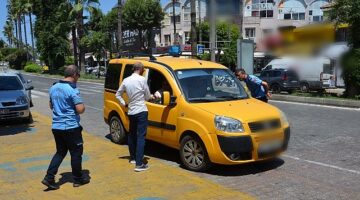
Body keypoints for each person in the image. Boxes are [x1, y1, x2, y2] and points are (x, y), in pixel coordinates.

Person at [42, 65, 89, 190]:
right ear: (74, 75)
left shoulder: (53, 87)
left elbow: (51, 106)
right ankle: (78, 179)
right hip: (71, 127)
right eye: (78, 75)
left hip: (57, 126)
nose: (78, 78)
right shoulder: (72, 90)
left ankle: (49, 177)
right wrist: (80, 107)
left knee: (60, 152)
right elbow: (80, 109)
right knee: (76, 153)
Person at [116, 62, 154, 172]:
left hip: (131, 111)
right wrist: (152, 96)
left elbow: (118, 94)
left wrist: (124, 103)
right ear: (141, 69)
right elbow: (147, 96)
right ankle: (139, 164)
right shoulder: (142, 80)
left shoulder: (126, 80)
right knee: (141, 136)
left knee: (132, 134)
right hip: (141, 110)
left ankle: (132, 158)